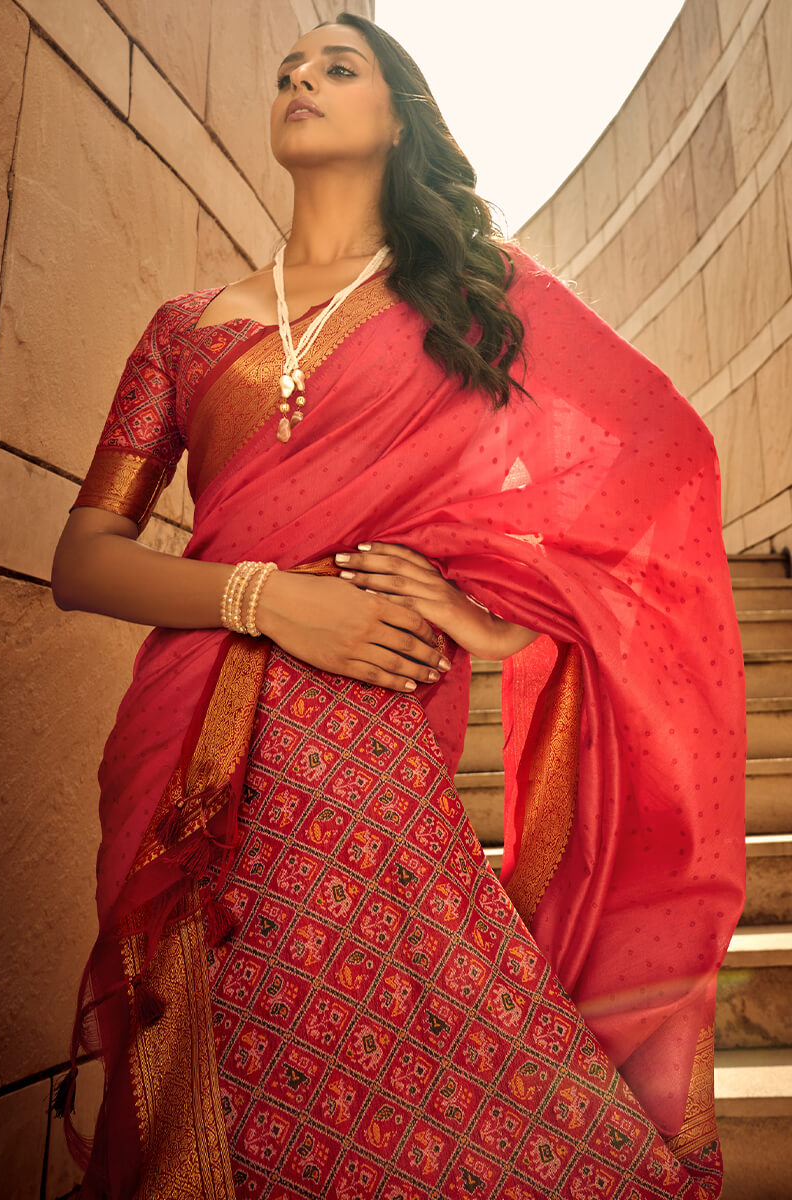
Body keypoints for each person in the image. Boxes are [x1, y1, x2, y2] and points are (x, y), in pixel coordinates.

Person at [51, 12, 745, 1198]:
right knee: (200, 1058)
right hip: (184, 727)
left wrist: (488, 617)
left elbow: (647, 469)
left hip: (364, 727)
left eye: (338, 66)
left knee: (392, 1051)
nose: (300, 80)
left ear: (398, 117)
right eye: (288, 68)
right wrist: (266, 599)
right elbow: (84, 559)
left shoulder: (474, 301)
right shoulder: (186, 327)